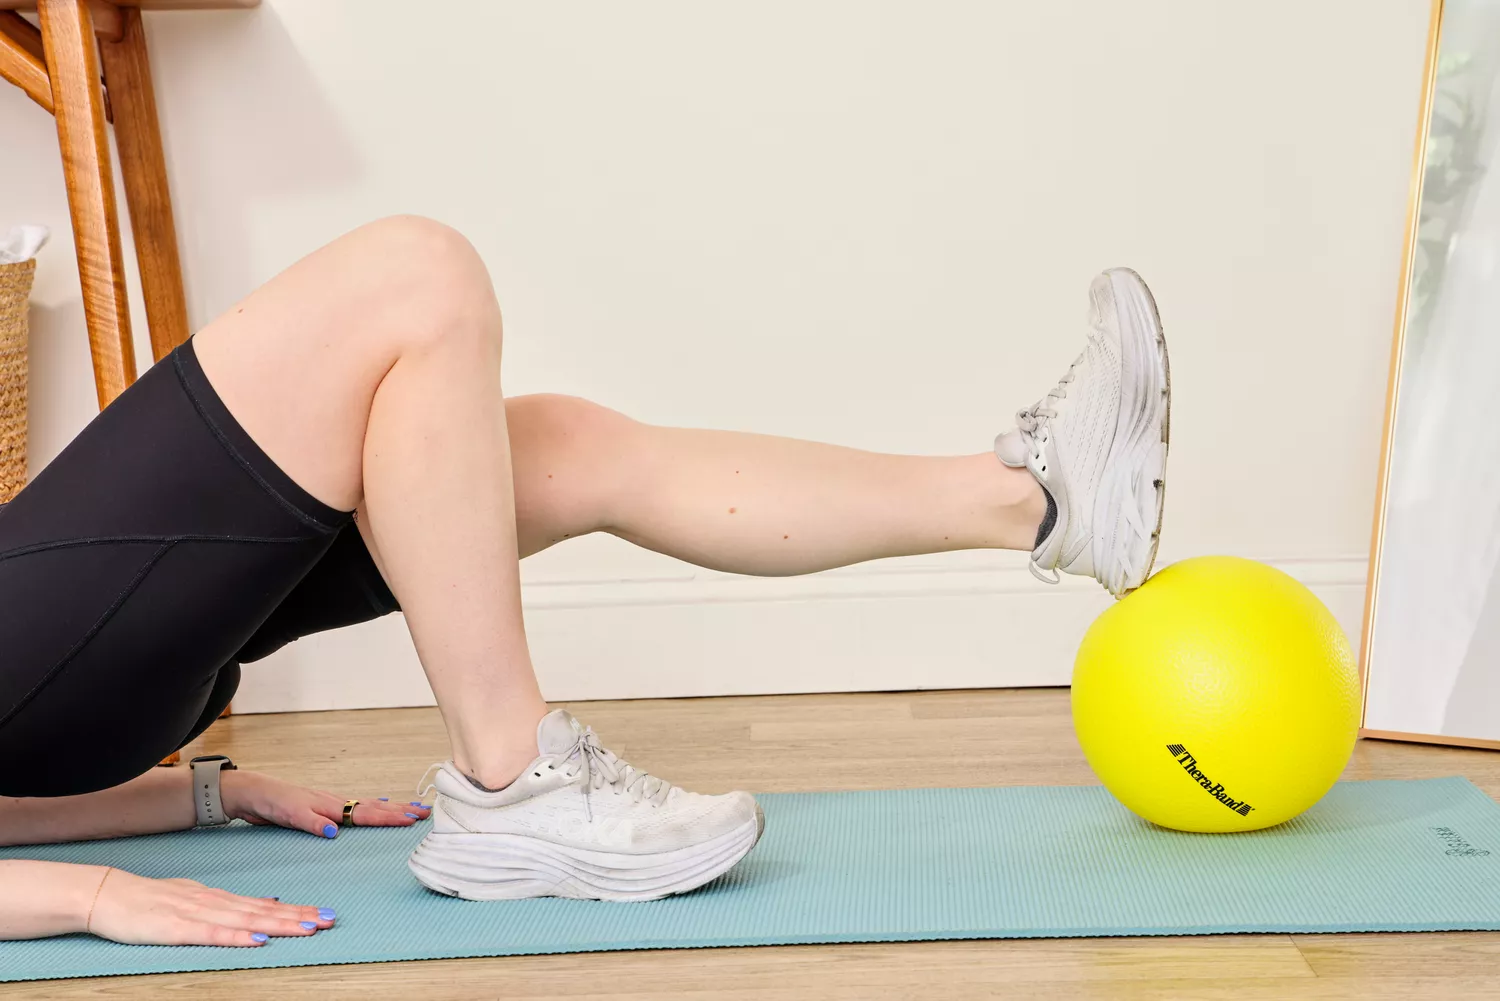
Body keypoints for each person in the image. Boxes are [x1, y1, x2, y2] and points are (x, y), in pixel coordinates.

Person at [0, 216, 1169, 946]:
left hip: (64, 694)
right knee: (411, 278)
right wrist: (91, 897)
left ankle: (1035, 500)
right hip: (36, 663)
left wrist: (202, 795)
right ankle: (514, 779)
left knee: (563, 448)